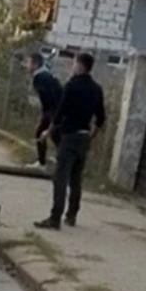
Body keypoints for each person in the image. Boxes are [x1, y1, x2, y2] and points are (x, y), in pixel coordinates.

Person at [34, 52, 106, 230]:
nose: (72, 67)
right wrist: (91, 136)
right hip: (83, 137)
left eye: (74, 64)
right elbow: (101, 118)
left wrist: (47, 132)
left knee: (60, 177)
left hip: (69, 136)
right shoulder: (97, 89)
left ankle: (55, 218)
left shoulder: (71, 86)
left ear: (80, 67)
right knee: (76, 178)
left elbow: (59, 114)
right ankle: (72, 215)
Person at [25, 52, 63, 169]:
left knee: (55, 136)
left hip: (55, 111)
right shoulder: (43, 75)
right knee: (42, 133)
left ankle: (64, 163)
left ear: (35, 65)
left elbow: (52, 98)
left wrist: (53, 118)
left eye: (28, 63)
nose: (26, 66)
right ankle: (42, 162)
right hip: (51, 111)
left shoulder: (41, 77)